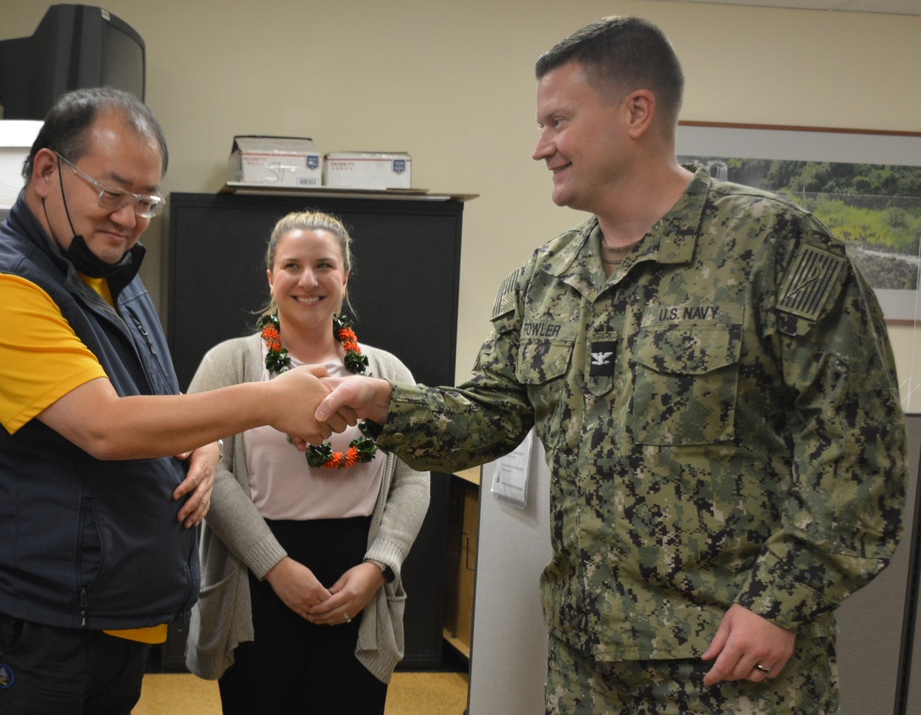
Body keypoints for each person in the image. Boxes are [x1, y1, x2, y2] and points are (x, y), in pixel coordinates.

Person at [314, 16, 908, 714]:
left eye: (558, 121)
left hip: (731, 663)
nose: (541, 148)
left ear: (636, 111)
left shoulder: (774, 249)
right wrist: (383, 401)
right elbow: (489, 417)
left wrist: (779, 602)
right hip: (586, 662)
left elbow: (859, 454)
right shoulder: (545, 279)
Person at [0, 88, 345, 714]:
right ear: (47, 171)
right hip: (38, 626)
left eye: (145, 200)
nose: (128, 218)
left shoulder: (113, 279)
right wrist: (266, 402)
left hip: (113, 619)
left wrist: (204, 444)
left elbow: (161, 404)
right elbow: (105, 426)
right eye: (112, 193)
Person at [184, 210, 430, 714]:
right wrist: (275, 567)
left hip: (358, 574)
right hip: (255, 576)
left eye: (324, 265)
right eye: (292, 265)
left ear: (345, 276)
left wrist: (379, 567)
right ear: (270, 276)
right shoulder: (228, 364)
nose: (308, 280)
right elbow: (211, 474)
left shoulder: (387, 372)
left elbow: (414, 479)